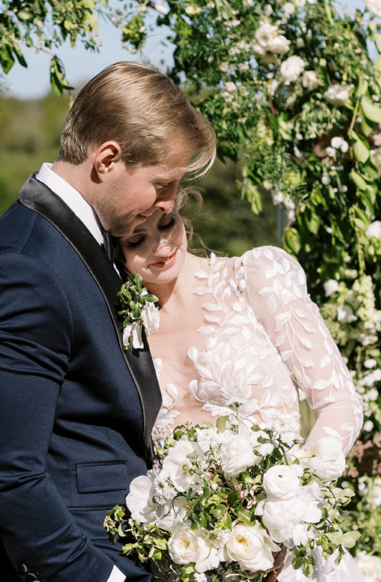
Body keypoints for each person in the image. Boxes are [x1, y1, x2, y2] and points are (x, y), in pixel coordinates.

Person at [0, 61, 216, 582]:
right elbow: (8, 474)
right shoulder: (25, 268)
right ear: (108, 158)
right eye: (162, 183)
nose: (169, 203)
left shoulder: (84, 240)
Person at [116, 201, 365, 582]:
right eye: (137, 240)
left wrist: (287, 510)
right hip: (192, 561)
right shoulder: (125, 329)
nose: (161, 245)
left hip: (290, 552)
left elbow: (338, 402)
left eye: (168, 224)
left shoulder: (255, 276)